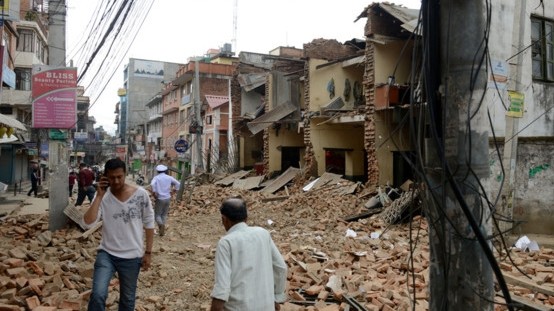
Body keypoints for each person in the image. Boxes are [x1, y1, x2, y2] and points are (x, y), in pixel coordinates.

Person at [83, 158, 155, 311]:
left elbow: (149, 223)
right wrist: (100, 196)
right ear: (105, 177)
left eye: (119, 177)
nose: (116, 181)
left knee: (127, 300)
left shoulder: (141, 195)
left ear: (125, 174)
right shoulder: (103, 196)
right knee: (98, 294)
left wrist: (148, 252)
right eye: (111, 177)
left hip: (132, 256)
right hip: (107, 254)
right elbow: (88, 222)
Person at [210, 198, 287, 311]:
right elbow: (281, 267)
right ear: (246, 218)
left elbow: (222, 287)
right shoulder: (263, 233)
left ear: (224, 219)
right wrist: (276, 297)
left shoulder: (226, 242)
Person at [150, 164, 180, 237]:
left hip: (160, 198)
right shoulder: (169, 177)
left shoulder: (156, 178)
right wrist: (174, 192)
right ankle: (162, 231)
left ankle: (161, 225)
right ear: (165, 171)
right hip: (167, 198)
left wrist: (154, 193)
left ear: (158, 171)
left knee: (157, 214)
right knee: (164, 214)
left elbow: (152, 184)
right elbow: (178, 183)